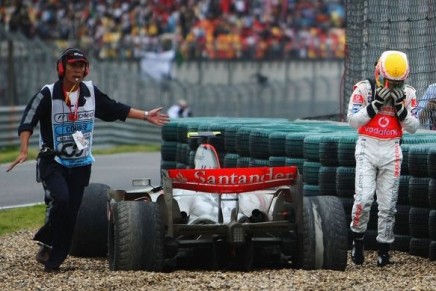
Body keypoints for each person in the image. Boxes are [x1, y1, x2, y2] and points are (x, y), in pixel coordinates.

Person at [6, 48, 169, 273]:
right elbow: (28, 120)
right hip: (52, 161)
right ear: (62, 68)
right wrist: (24, 150)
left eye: (81, 66)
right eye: (73, 65)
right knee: (61, 200)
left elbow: (114, 108)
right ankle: (48, 241)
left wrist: (145, 115)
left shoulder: (91, 93)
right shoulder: (47, 94)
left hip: (81, 163)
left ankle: (53, 259)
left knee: (72, 214)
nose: (78, 70)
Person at [347, 50, 419, 267]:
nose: (392, 87)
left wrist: (400, 109)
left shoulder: (409, 93)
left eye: (397, 83)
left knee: (388, 205)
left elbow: (415, 127)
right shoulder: (364, 89)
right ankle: (357, 241)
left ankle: (384, 249)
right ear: (378, 72)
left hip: (392, 149)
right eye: (388, 81)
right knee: (364, 199)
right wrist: (375, 105)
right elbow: (352, 120)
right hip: (367, 148)